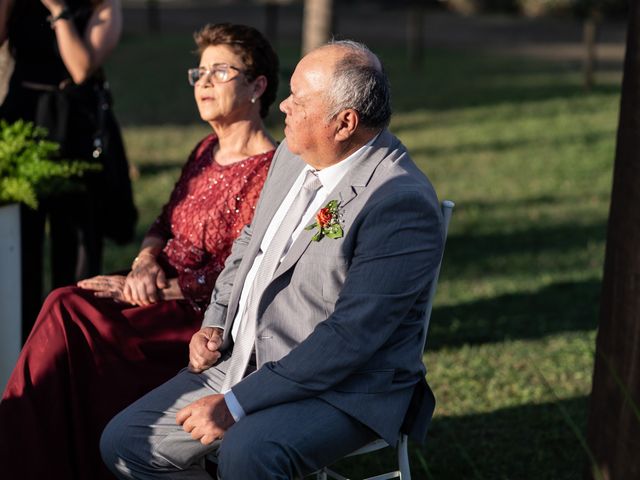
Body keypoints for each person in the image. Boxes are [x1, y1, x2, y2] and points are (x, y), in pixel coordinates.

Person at [101, 39, 444, 479]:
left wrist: (235, 405)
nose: (282, 106)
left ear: (344, 123)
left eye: (299, 99)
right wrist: (216, 319)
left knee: (247, 452)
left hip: (342, 388)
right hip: (242, 360)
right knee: (126, 442)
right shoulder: (291, 153)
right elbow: (249, 243)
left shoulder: (398, 202)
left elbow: (351, 339)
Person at [0, 22, 279, 480]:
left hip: (197, 322)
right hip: (151, 293)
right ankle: (28, 454)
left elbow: (245, 271)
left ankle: (26, 456)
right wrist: (145, 262)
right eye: (199, 73)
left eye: (220, 71)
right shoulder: (206, 149)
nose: (204, 82)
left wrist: (157, 288)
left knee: (67, 306)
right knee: (66, 303)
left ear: (257, 85)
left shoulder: (270, 170)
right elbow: (162, 222)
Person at [0, 0, 137, 341]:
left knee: (77, 243)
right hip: (25, 121)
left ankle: (70, 341)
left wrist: (59, 10)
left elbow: (80, 67)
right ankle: (22, 343)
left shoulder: (102, 6)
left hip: (76, 125)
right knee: (21, 244)